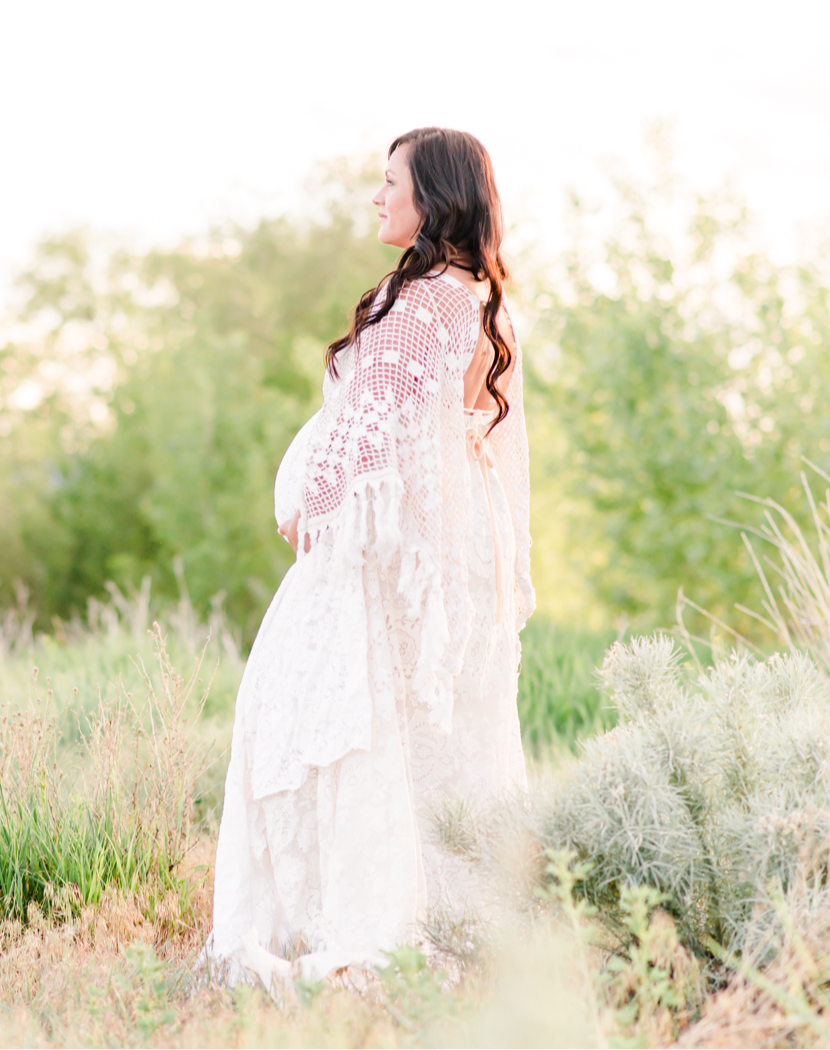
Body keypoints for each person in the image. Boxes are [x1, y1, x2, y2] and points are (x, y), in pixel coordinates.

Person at [205, 127, 533, 988]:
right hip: (454, 544)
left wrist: (311, 507)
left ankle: (355, 926)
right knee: (427, 732)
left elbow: (368, 431)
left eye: (390, 182)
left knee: (327, 719)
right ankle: (449, 921)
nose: (377, 197)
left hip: (388, 551)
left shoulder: (421, 301)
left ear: (434, 198)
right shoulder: (477, 299)